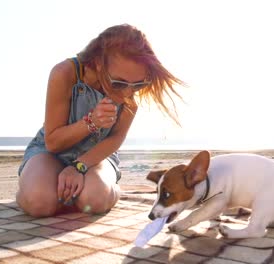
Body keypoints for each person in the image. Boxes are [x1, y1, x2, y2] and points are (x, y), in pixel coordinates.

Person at [16, 24, 185, 217]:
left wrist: (79, 166)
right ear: (97, 63)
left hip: (96, 157)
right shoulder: (65, 73)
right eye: (119, 83)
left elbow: (115, 140)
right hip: (49, 152)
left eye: (139, 85)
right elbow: (53, 142)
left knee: (95, 200)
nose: (128, 93)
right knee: (39, 202)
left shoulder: (129, 100)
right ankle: (38, 187)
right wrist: (92, 122)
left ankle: (103, 189)